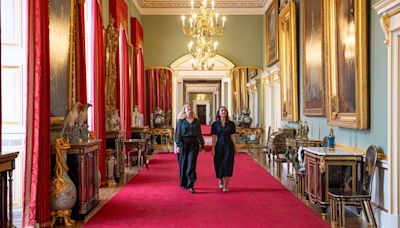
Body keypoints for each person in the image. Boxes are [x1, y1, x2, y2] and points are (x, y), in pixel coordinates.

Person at [174, 103, 205, 193]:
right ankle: (184, 182)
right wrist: (178, 145)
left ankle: (191, 184)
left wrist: (202, 145)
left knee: (191, 164)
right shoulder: (180, 121)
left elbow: (199, 133)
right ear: (184, 110)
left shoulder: (196, 121)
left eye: (190, 107)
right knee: (183, 164)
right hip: (184, 144)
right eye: (187, 107)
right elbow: (178, 134)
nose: (189, 108)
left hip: (194, 144)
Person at [211, 106, 237, 193]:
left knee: (227, 164)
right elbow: (214, 137)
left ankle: (225, 186)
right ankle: (220, 179)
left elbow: (233, 135)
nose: (223, 112)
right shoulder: (215, 124)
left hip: (229, 146)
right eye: (221, 110)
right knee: (218, 164)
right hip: (219, 146)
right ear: (218, 113)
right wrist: (213, 148)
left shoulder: (231, 124)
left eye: (225, 110)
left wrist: (235, 146)